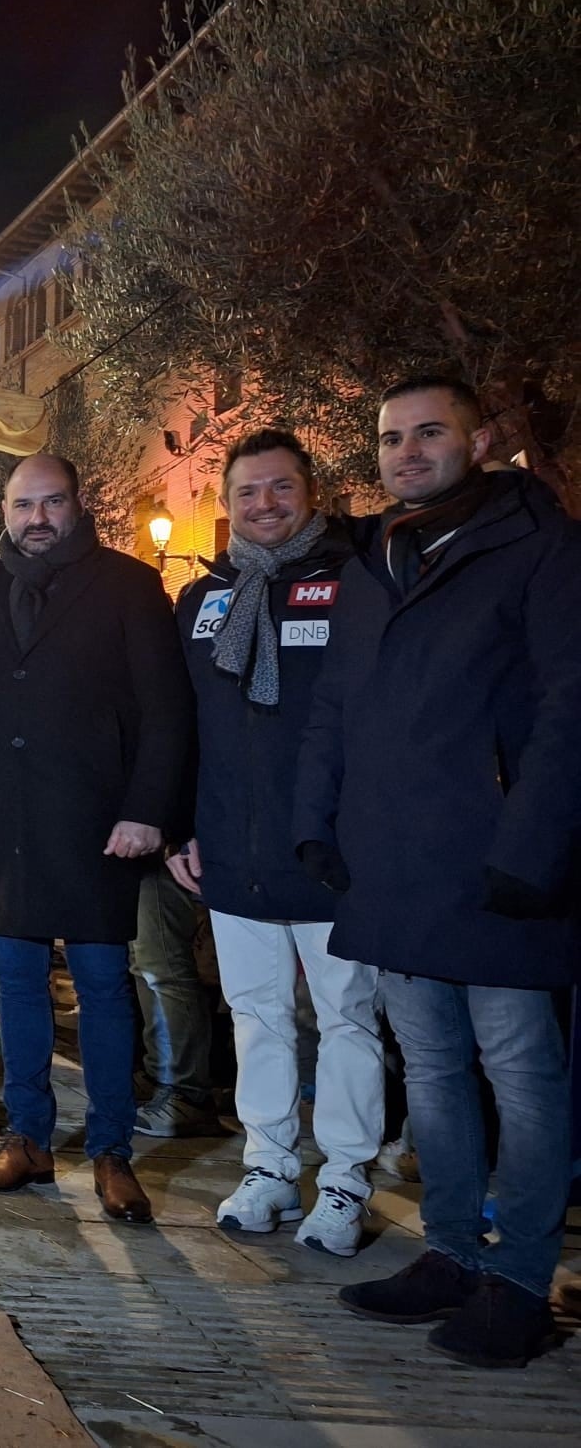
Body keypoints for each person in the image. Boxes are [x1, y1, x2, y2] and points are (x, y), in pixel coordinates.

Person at [296, 377, 581, 1367]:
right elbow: (335, 704)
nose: (406, 452)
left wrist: (529, 849)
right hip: (393, 862)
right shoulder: (376, 560)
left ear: (483, 439)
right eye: (390, 439)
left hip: (497, 866)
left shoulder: (543, 548)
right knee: (433, 1072)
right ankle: (454, 1254)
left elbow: (568, 710)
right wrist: (316, 825)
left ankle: (520, 1281)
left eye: (429, 433)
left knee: (524, 1076)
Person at [0, 453, 192, 1222]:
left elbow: (166, 710)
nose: (37, 518)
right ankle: (28, 1140)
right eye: (24, 505)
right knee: (17, 988)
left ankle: (113, 1150)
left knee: (103, 989)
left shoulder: (127, 584)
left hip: (98, 824)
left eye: (52, 503)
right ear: (8, 513)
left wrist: (146, 807)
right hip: (6, 821)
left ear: (77, 507)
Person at [168, 428, 383, 1257]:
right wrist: (182, 822)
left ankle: (346, 1179)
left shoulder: (356, 582)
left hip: (329, 850)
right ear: (225, 507)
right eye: (248, 492)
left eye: (280, 488)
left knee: (346, 1018)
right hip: (232, 845)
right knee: (255, 1016)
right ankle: (267, 1167)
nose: (264, 504)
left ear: (311, 493)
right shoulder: (203, 599)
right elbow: (187, 723)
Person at [130, 865, 224, 1139]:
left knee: (163, 967)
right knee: (144, 965)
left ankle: (188, 1093)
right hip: (138, 861)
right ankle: (158, 1075)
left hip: (162, 854)